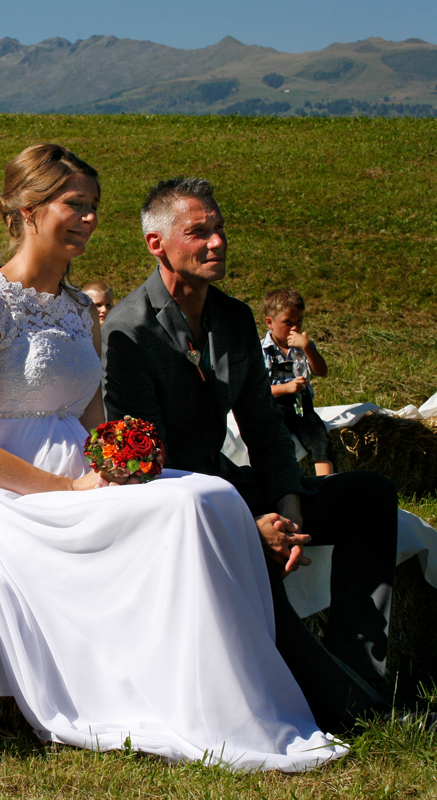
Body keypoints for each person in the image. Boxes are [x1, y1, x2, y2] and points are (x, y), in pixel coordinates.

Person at [0, 144, 344, 770]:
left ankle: (246, 694)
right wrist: (67, 489)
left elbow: (99, 425)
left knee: (211, 495)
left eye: (94, 207)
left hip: (83, 472)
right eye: (75, 204)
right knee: (187, 506)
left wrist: (122, 466)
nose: (90, 219)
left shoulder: (79, 310)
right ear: (27, 207)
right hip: (7, 492)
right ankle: (204, 702)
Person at [101, 176, 398, 732]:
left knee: (370, 495)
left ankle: (359, 672)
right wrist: (243, 519)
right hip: (181, 502)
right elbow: (149, 462)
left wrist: (290, 504)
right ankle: (347, 709)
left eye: (219, 230)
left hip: (236, 483)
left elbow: (261, 424)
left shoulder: (234, 318)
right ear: (155, 243)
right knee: (251, 559)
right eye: (199, 232)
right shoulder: (128, 330)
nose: (217, 243)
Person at [262, 288, 333, 476]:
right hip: (275, 406)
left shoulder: (303, 345)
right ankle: (287, 481)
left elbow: (322, 371)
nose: (294, 328)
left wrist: (308, 347)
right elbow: (258, 390)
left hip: (302, 405)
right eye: (287, 322)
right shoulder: (262, 350)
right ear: (270, 322)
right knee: (280, 441)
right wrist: (286, 388)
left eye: (299, 321)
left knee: (319, 437)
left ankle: (326, 482)